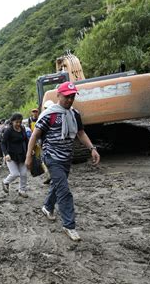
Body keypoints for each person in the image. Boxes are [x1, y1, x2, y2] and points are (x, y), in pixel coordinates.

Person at [25, 81, 100, 242]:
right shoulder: (49, 115)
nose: (70, 100)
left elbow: (80, 133)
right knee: (64, 190)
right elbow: (35, 135)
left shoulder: (74, 114)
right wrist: (29, 156)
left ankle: (47, 207)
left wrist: (92, 148)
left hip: (66, 157)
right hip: (51, 157)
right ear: (58, 95)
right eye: (67, 97)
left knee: (58, 184)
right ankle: (69, 225)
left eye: (72, 97)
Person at [1, 113, 29, 198]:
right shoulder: (8, 130)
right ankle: (5, 182)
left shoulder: (23, 129)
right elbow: (3, 143)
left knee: (24, 174)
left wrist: (30, 150)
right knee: (15, 174)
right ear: (12, 121)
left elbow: (26, 140)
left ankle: (22, 190)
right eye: (16, 122)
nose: (18, 124)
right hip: (11, 156)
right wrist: (6, 154)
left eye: (20, 122)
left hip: (22, 155)